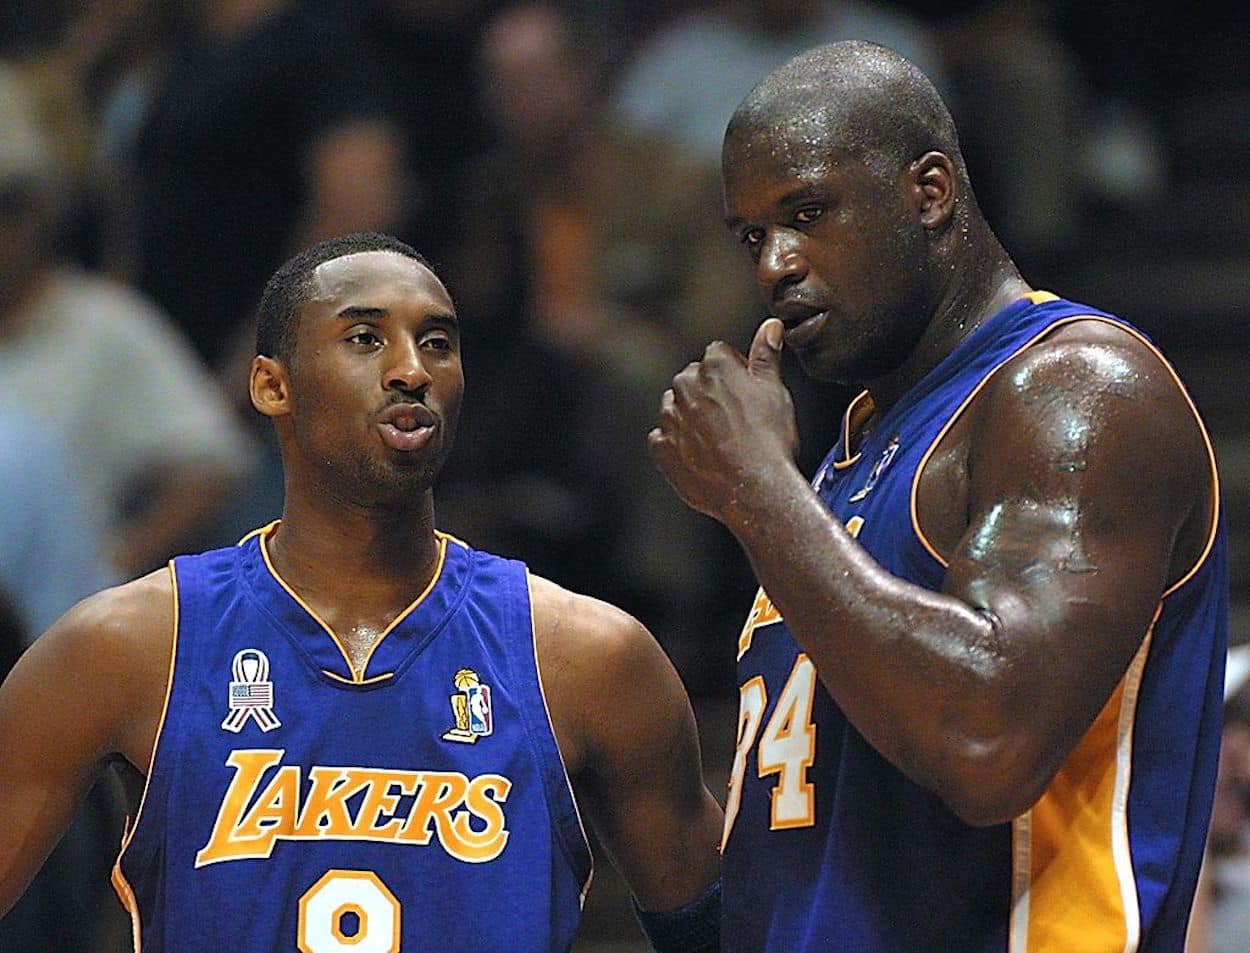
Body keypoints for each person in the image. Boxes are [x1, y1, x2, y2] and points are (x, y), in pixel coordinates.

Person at [648, 41, 1227, 951]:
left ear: (930, 191)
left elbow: (989, 738)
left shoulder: (1076, 389)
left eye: (808, 211)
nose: (775, 264)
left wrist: (759, 492)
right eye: (752, 235)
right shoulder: (853, 452)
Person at [0, 233, 724, 952]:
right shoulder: (131, 643)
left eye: (437, 343)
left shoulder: (589, 656)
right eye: (366, 338)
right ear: (271, 385)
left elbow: (727, 930)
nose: (411, 369)